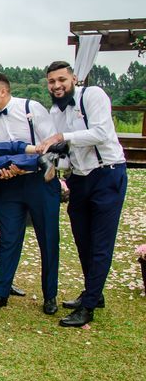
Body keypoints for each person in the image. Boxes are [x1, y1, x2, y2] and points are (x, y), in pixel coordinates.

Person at [39, 61, 127, 327]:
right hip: (79, 179)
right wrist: (53, 163)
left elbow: (100, 133)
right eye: (52, 81)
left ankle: (88, 306)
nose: (57, 85)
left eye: (61, 79)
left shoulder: (93, 95)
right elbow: (67, 152)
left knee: (100, 243)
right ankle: (94, 293)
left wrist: (62, 137)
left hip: (107, 173)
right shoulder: (55, 111)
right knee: (83, 240)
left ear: (74, 78)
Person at [0, 73, 61, 317]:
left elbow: (52, 143)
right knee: (9, 239)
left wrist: (39, 164)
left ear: (3, 92)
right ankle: (0, 293)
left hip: (39, 181)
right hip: (9, 185)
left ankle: (50, 295)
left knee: (48, 239)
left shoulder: (30, 107)